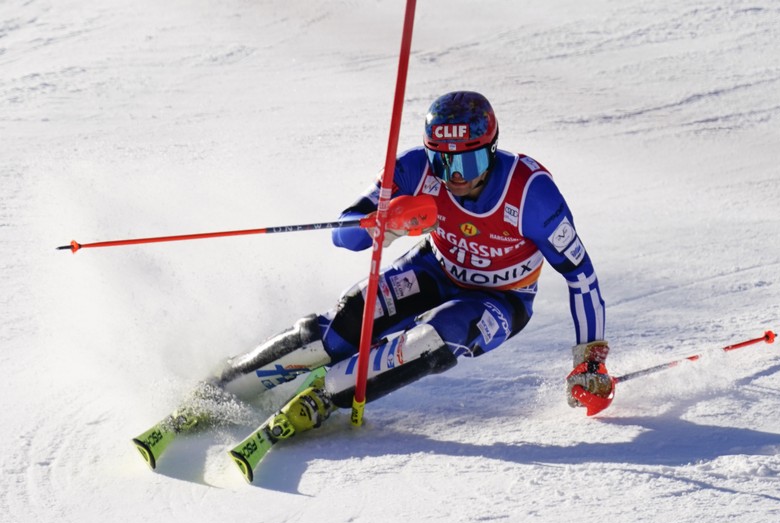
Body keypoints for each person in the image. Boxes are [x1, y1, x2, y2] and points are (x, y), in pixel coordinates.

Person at [206, 91, 611, 437]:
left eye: (466, 165)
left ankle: (327, 395)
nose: (453, 177)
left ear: (491, 151)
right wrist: (385, 223)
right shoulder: (415, 168)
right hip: (435, 269)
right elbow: (343, 234)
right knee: (344, 326)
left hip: (500, 299)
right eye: (443, 163)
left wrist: (590, 360)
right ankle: (227, 383)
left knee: (434, 339)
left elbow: (582, 277)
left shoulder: (531, 194)